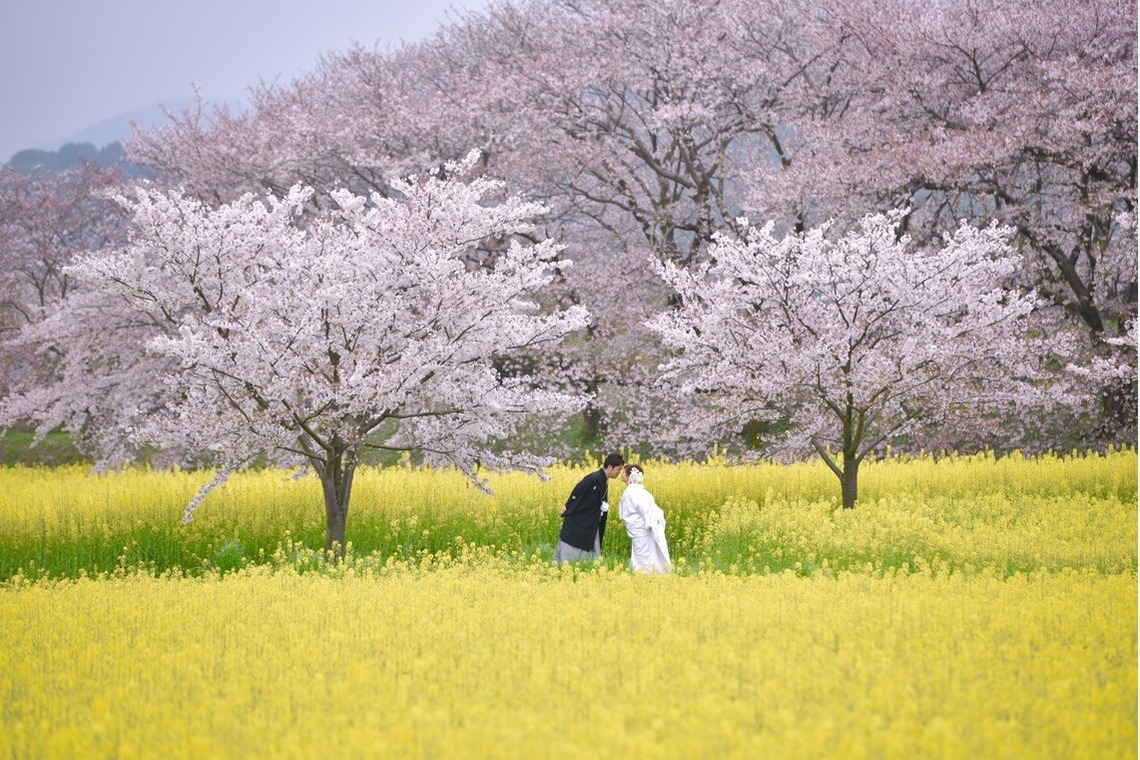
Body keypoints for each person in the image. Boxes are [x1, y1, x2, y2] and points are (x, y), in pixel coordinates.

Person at [555, 453, 625, 565]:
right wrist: (568, 506)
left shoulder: (603, 479)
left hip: (590, 520)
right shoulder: (595, 477)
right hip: (581, 520)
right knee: (574, 544)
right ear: (610, 467)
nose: (619, 473)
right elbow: (578, 490)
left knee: (589, 545)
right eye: (618, 469)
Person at [617, 464, 671, 573]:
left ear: (630, 475)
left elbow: (644, 508)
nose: (621, 474)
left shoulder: (632, 491)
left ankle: (646, 576)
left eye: (624, 472)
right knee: (644, 554)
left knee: (643, 556)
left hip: (641, 529)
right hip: (638, 529)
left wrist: (649, 522)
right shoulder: (638, 490)